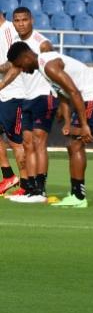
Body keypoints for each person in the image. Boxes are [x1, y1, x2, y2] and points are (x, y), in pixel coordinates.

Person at [6, 42, 93, 208]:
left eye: (20, 66)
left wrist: (84, 125)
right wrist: (68, 121)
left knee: (75, 144)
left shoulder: (49, 66)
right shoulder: (43, 67)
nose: (22, 70)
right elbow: (63, 93)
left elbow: (74, 91)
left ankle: (78, 196)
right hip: (85, 98)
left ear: (26, 57)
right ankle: (76, 194)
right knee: (72, 144)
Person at [0, 7, 55, 203]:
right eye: (18, 20)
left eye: (24, 20)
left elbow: (54, 66)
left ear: (31, 20)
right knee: (27, 142)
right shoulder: (17, 41)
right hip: (19, 95)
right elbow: (15, 65)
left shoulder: (40, 43)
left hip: (31, 96)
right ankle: (24, 184)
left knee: (33, 142)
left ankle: (35, 188)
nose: (21, 24)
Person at [0, 10, 30, 196]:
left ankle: (27, 185)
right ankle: (8, 175)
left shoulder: (9, 30)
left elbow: (15, 61)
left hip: (15, 94)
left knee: (16, 141)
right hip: (2, 93)